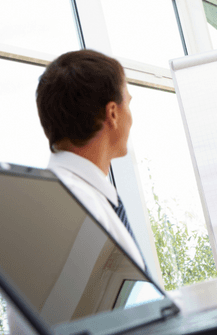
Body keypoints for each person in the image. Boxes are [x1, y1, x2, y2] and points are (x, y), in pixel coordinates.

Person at [35, 49, 146, 271]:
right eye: (129, 103)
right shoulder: (76, 204)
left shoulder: (61, 195)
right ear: (113, 113)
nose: (132, 118)